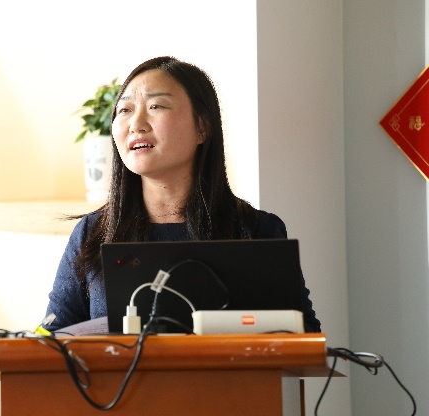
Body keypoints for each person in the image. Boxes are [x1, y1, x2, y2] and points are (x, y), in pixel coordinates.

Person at [42, 56, 321, 333]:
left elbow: (304, 335)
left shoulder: (257, 230)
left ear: (202, 127)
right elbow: (52, 338)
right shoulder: (92, 233)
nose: (136, 123)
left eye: (156, 106)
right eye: (124, 110)